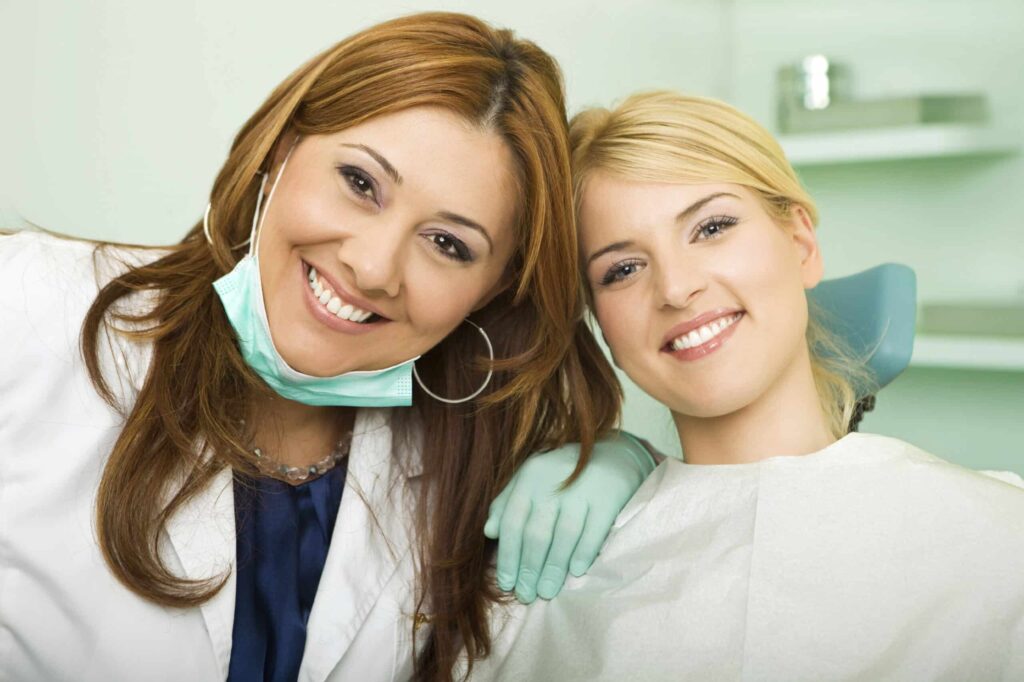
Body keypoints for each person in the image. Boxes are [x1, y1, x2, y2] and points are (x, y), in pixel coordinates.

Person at [0, 14, 659, 682]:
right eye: (361, 183)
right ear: (282, 150)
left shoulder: (474, 471)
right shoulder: (25, 308)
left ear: (489, 292)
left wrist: (630, 466)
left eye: (448, 244)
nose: (373, 267)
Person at [467, 91, 1024, 681]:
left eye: (712, 227)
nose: (676, 288)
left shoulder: (999, 541)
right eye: (622, 269)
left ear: (800, 244)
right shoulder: (537, 575)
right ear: (601, 326)